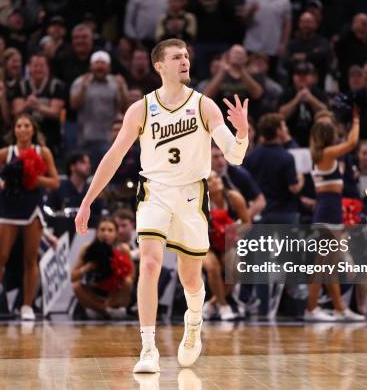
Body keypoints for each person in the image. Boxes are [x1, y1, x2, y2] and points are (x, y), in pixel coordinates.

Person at [74, 39, 249, 373]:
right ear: (159, 66)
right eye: (176, 57)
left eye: (186, 56)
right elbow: (113, 157)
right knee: (150, 264)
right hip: (154, 192)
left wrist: (241, 133)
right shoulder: (140, 109)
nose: (184, 61)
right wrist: (87, 202)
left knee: (191, 279)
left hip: (191, 197)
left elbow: (234, 154)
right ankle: (149, 348)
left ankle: (194, 322)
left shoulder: (204, 106)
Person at [0, 114, 59, 321]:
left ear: (33, 129)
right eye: (19, 125)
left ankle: (27, 306)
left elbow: (55, 182)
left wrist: (32, 178)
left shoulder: (42, 152)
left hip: (32, 208)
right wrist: (7, 182)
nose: (23, 129)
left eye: (27, 125)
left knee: (30, 259)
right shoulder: (4, 153)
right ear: (14, 130)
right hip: (9, 208)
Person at [305, 108, 365, 322]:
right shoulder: (327, 154)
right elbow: (351, 144)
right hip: (328, 214)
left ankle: (340, 308)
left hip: (328, 212)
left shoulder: (320, 155)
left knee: (328, 267)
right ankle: (311, 309)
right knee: (321, 266)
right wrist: (356, 120)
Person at [202, 170, 248, 321]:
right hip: (204, 243)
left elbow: (247, 224)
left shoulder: (234, 197)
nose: (215, 180)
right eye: (210, 179)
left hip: (227, 242)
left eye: (216, 177)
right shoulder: (199, 202)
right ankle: (223, 306)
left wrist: (232, 233)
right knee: (212, 267)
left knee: (235, 268)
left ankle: (211, 303)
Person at [71, 217, 134, 319]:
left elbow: (131, 276)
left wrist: (117, 272)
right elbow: (73, 277)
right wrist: (88, 267)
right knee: (76, 286)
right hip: (94, 290)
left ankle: (109, 309)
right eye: (102, 230)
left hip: (115, 292)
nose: (106, 233)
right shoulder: (87, 248)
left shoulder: (123, 249)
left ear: (116, 233)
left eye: (110, 230)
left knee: (127, 282)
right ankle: (106, 311)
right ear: (97, 232)